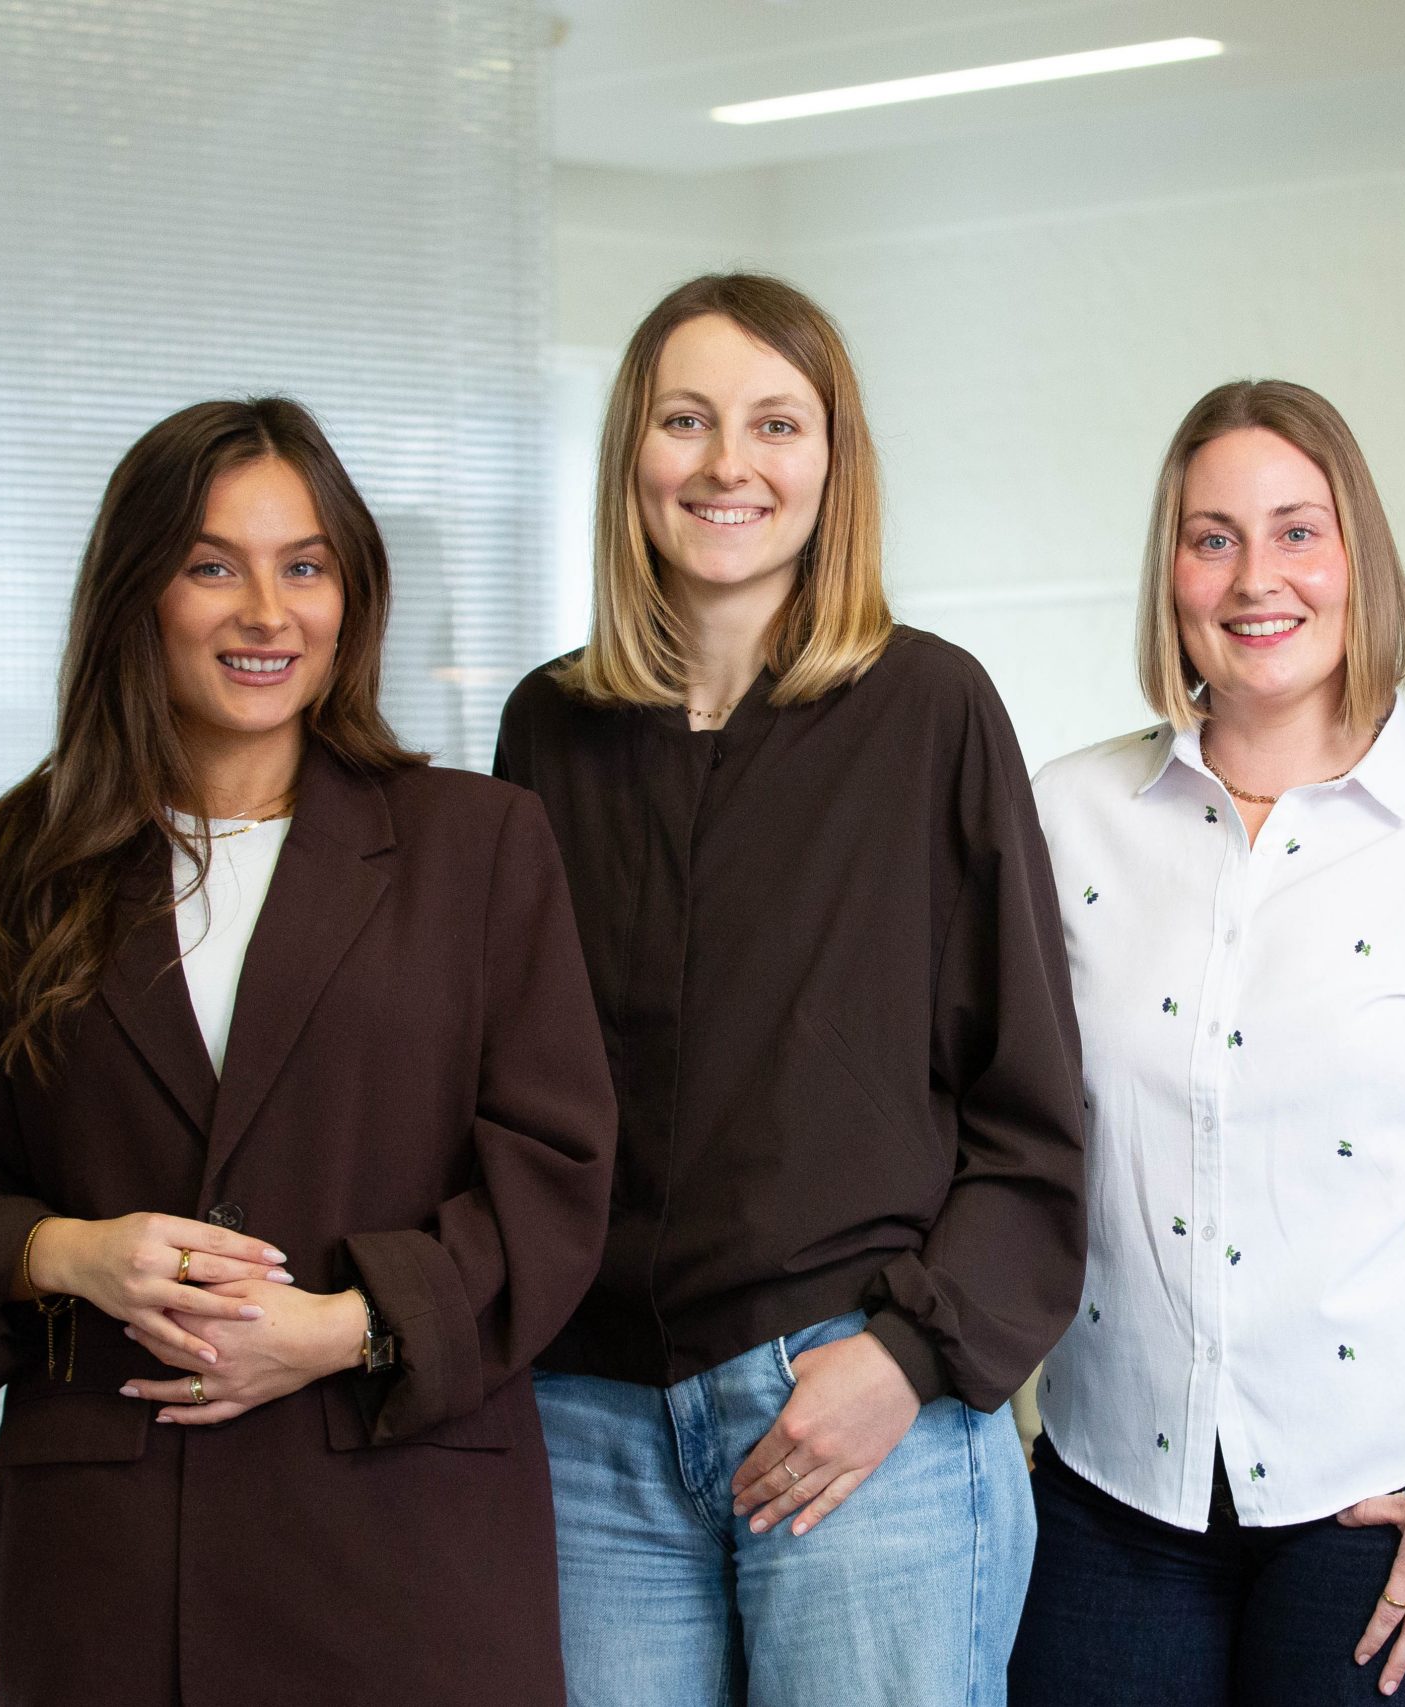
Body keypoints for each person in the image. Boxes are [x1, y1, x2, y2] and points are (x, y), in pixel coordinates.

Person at [0, 398, 617, 1705]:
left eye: (303, 565)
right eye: (215, 565)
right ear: (138, 592)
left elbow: (556, 1183)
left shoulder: (478, 846)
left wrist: (349, 1328)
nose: (268, 610)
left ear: (350, 595)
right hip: (116, 1568)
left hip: (404, 1542)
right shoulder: (6, 867)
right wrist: (68, 1252)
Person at [493, 273, 1087, 1707]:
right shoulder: (547, 731)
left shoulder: (931, 711)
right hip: (590, 1432)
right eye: (685, 420)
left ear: (834, 462)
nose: (727, 465)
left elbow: (1033, 1118)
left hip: (854, 1413)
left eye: (776, 423)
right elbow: (503, 1089)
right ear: (631, 450)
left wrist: (905, 1361)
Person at [1008, 380, 1405, 1706]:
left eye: (1298, 531)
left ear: (1359, 560)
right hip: (1115, 1504)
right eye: (1212, 535)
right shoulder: (1067, 821)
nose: (1254, 577)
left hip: (1397, 1508)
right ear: (1170, 571)